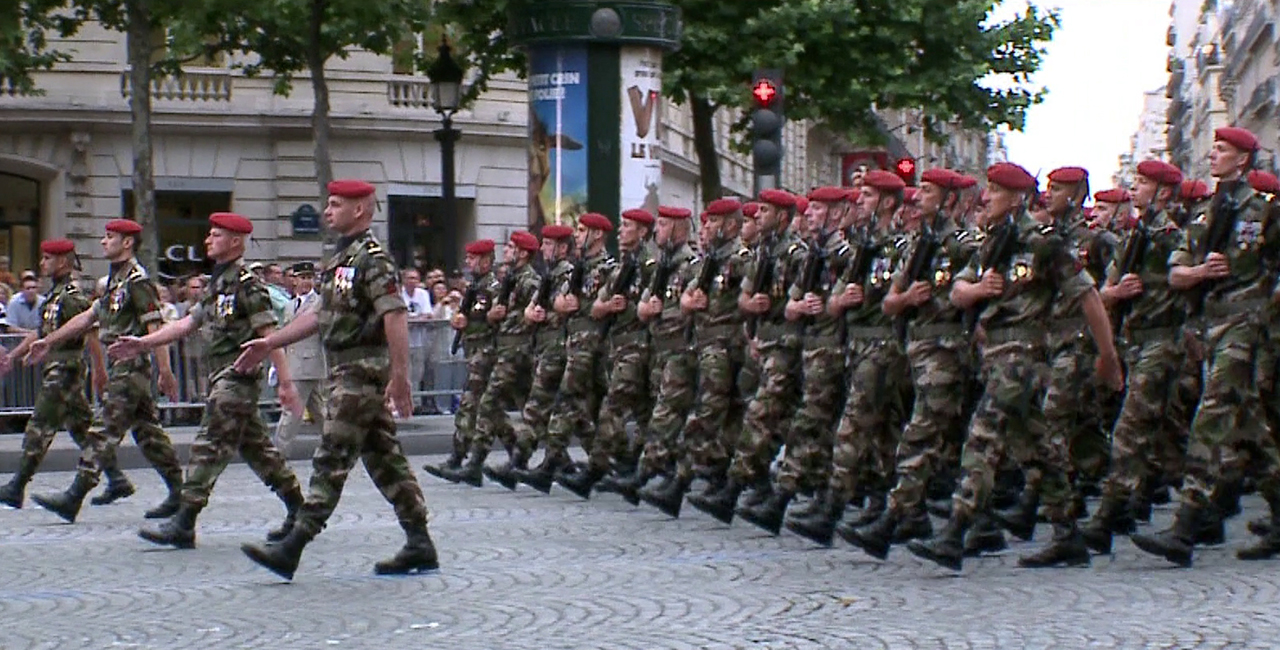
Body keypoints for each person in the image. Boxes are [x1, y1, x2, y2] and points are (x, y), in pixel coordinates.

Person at [907, 162, 1123, 572]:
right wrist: (977, 289)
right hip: (996, 357)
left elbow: (1088, 297)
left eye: (994, 190)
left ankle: (954, 532)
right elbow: (956, 292)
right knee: (1035, 450)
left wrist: (1107, 357)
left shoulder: (1043, 243)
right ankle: (1067, 537)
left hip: (1024, 358)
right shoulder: (993, 240)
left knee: (982, 437)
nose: (985, 198)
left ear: (1017, 198)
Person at [235, 179, 437, 579]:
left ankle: (294, 546)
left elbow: (394, 315)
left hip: (363, 370)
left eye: (335, 204)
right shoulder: (341, 259)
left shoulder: (373, 258)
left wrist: (401, 377)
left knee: (331, 455)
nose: (326, 211)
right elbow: (319, 315)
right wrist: (270, 341)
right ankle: (420, 542)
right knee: (384, 459)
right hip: (344, 368)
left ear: (359, 210)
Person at [108, 213, 305, 549]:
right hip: (220, 376)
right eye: (210, 234)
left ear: (236, 242)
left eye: (216, 235)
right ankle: (301, 510)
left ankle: (184, 522)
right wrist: (143, 343)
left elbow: (268, 336)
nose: (208, 240)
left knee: (208, 444)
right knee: (258, 451)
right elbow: (187, 324)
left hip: (238, 376)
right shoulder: (217, 282)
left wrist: (285, 384)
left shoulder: (247, 284)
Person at [1133, 126, 1280, 566]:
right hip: (1212, 325)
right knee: (1250, 430)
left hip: (1247, 323)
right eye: (1213, 148)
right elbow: (1177, 275)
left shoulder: (1266, 212)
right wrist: (1201, 273)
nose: (1213, 155)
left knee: (1211, 416)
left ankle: (1185, 526)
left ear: (1243, 160)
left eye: (1222, 150)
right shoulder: (1202, 215)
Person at [26, 218, 186, 523]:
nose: (103, 241)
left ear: (127, 243)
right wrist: (48, 340)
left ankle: (74, 496)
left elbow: (155, 326)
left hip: (132, 366)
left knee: (103, 430)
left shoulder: (138, 281)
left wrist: (165, 371)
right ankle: (180, 491)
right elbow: (89, 318)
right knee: (148, 434)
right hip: (121, 366)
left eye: (110, 237)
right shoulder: (116, 280)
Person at [0, 239, 110, 508]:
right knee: (82, 428)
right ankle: (116, 478)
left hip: (66, 368)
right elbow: (41, 332)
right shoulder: (56, 295)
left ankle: (17, 485)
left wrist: (99, 370)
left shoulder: (73, 296)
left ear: (62, 262)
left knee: (39, 425)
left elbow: (91, 334)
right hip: (56, 366)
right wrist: (13, 356)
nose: (42, 263)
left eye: (47, 258)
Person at [272, 262, 326, 456]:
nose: (306, 282)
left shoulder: (319, 303)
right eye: (302, 278)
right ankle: (336, 447)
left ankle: (278, 453)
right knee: (320, 411)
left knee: (292, 412)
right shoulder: (289, 305)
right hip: (293, 363)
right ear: (294, 280)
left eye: (309, 278)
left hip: (309, 363)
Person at [400, 268, 434, 414]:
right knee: (404, 373)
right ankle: (402, 404)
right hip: (402, 342)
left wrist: (413, 320)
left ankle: (415, 403)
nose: (413, 281)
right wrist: (413, 319)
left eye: (415, 278)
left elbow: (428, 314)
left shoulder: (422, 294)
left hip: (419, 341)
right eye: (410, 278)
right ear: (404, 280)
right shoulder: (398, 294)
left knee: (417, 374)